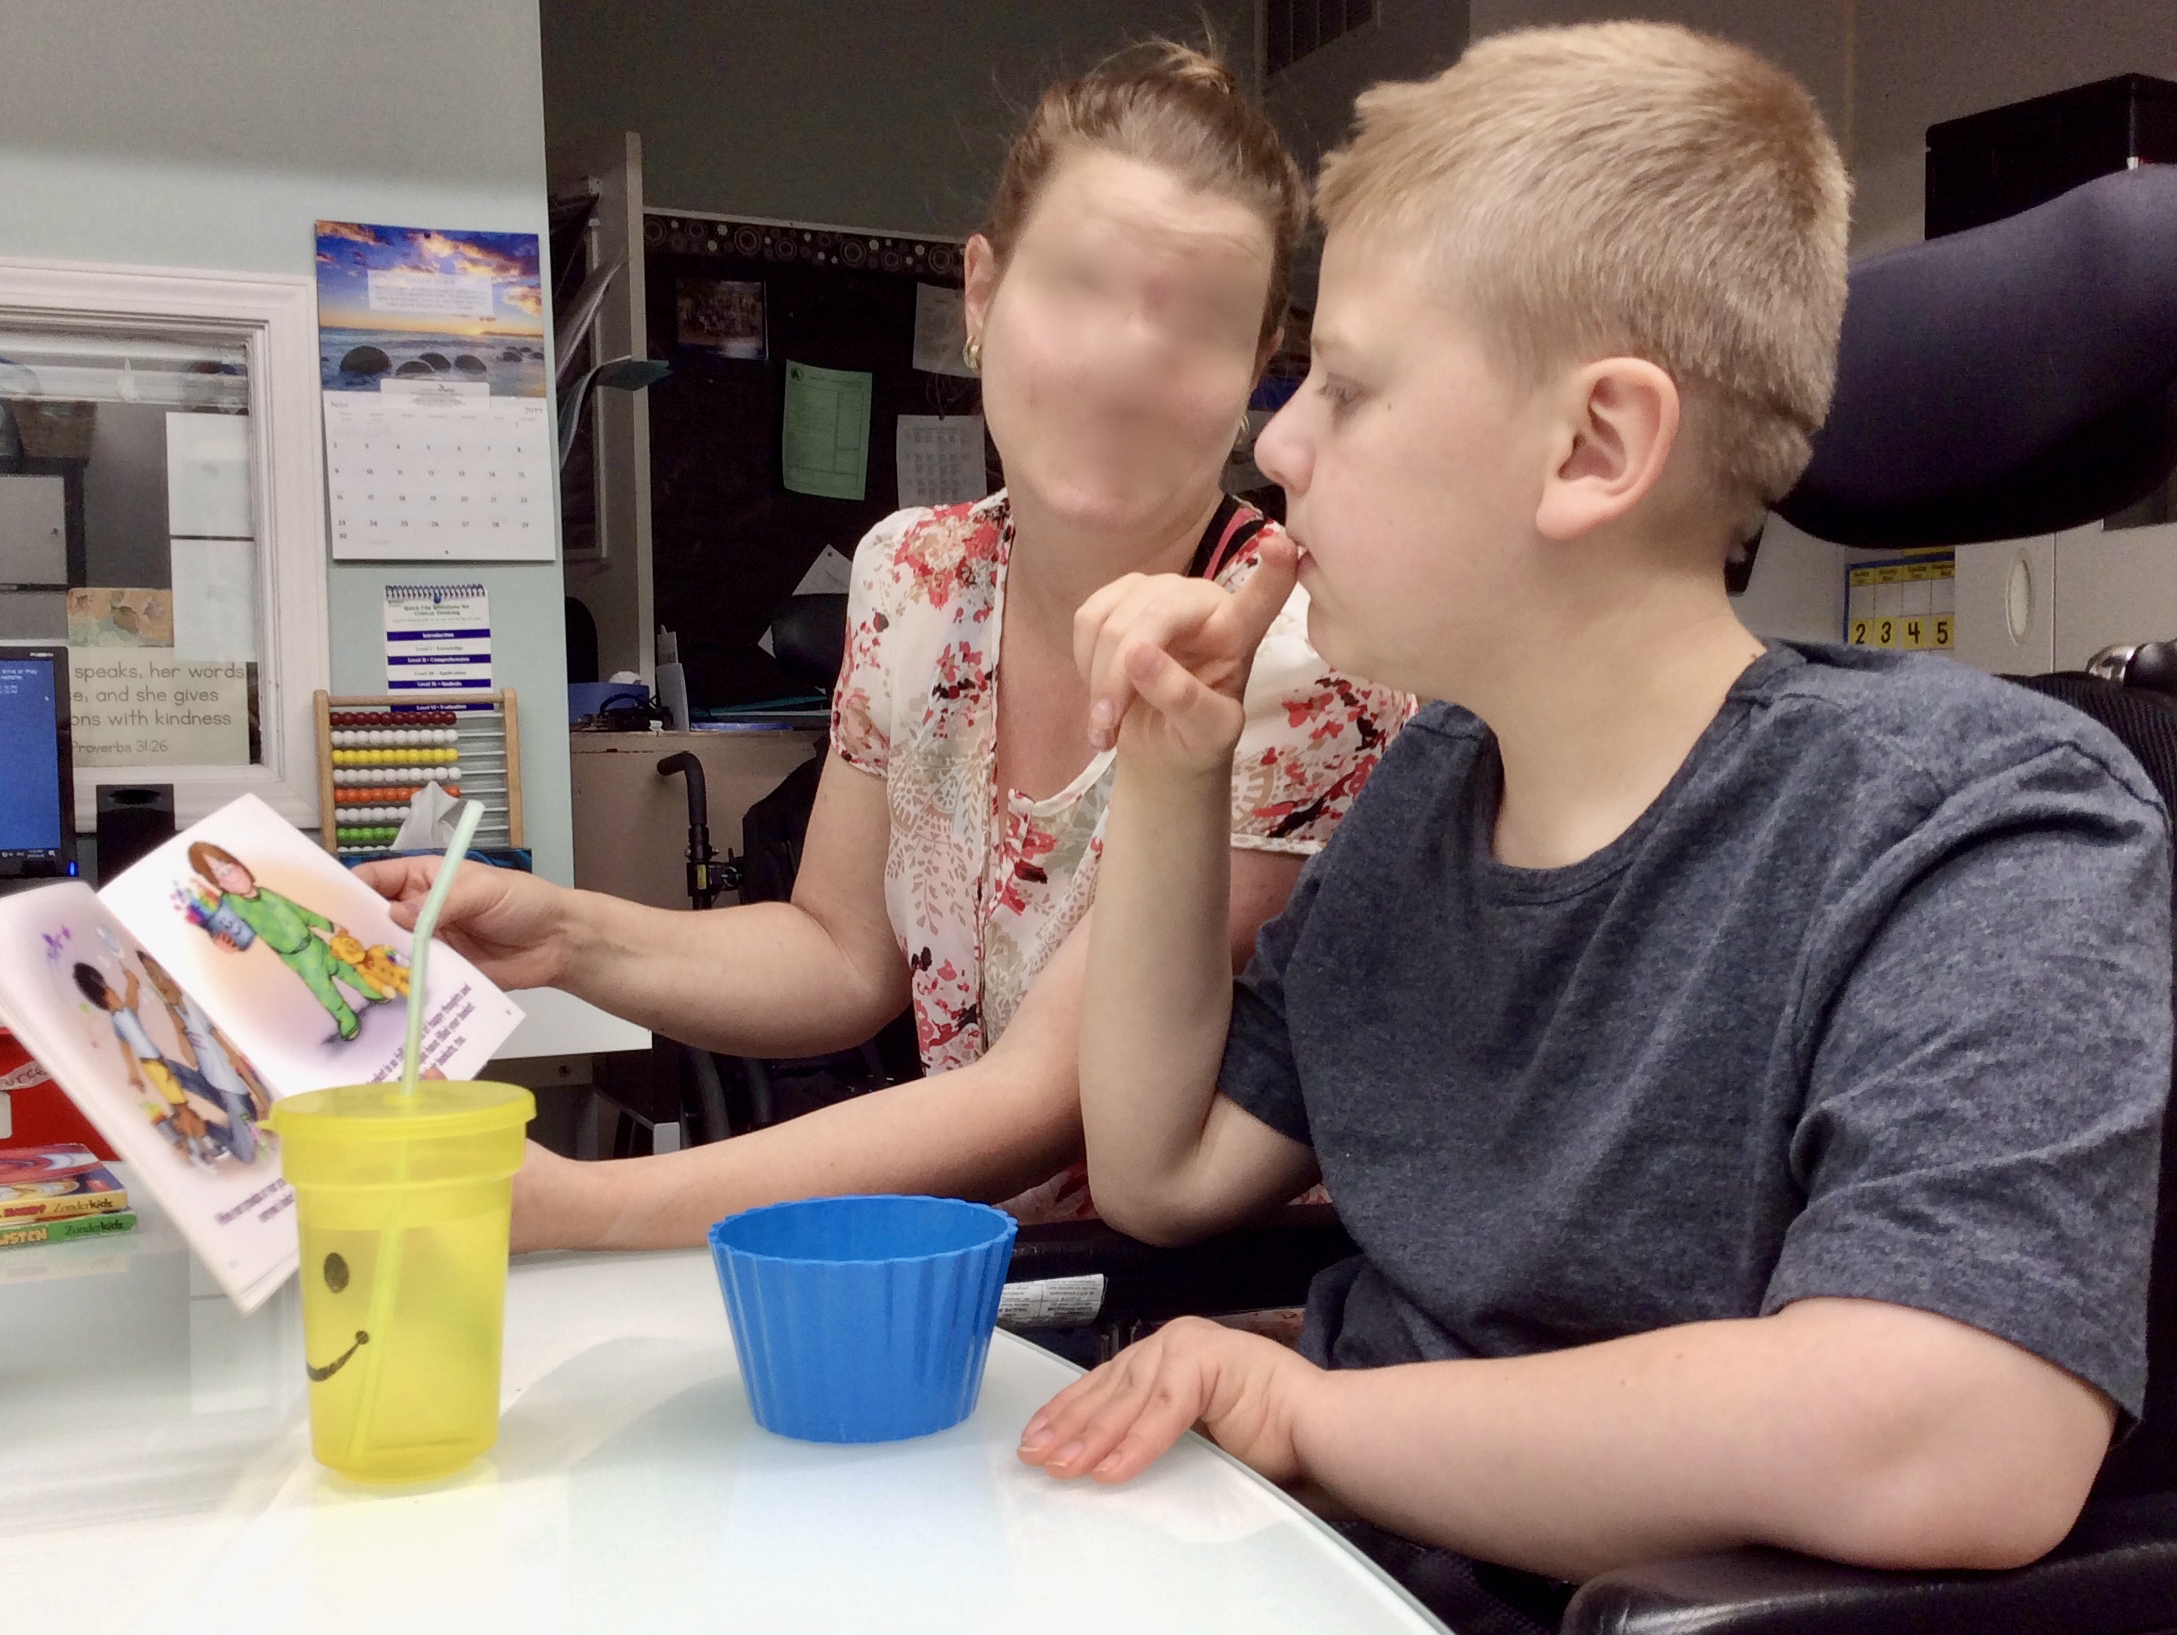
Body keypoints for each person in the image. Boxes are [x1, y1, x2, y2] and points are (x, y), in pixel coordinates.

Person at [1017, 23, 2170, 1630]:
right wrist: (1169, 767)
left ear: (1595, 446)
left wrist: (1312, 1414)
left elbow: (1960, 1428)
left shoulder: (1984, 821)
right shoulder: (1430, 791)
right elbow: (1160, 1167)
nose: (1272, 445)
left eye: (1342, 385)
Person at [357, 41, 1411, 1249]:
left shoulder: (1294, 662)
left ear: (1258, 366)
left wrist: (584, 1208)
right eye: (1078, 289)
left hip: (1197, 1323)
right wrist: (570, 935)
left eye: (1198, 326)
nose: (1125, 365)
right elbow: (840, 955)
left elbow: (1041, 1093)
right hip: (961, 1285)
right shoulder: (914, 576)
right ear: (979, 293)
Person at [189, 842, 389, 1042]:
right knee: (323, 989)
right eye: (220, 874)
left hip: (314, 942)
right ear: (218, 884)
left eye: (229, 867)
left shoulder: (266, 893)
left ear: (240, 866)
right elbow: (229, 929)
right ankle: (345, 1017)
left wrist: (329, 926)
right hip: (297, 956)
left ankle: (369, 990)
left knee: (344, 969)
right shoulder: (234, 904)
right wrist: (223, 944)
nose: (231, 876)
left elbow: (300, 912)